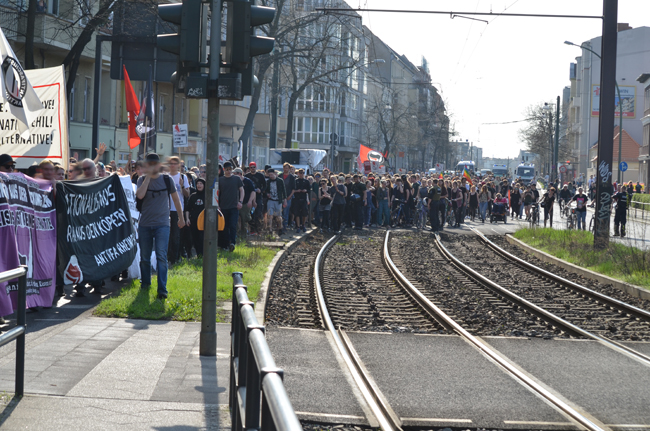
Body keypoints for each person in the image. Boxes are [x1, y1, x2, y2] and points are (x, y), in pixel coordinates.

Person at [136, 153, 185, 300]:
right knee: (144, 257)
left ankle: (162, 289)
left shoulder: (167, 179)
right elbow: (139, 196)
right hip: (145, 224)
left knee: (161, 256)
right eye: (149, 164)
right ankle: (145, 284)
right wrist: (148, 177)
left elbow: (176, 200)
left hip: (163, 224)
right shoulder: (141, 179)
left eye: (154, 164)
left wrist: (181, 218)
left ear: (159, 165)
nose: (152, 167)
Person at [166, 156, 190, 262]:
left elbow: (187, 194)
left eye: (175, 163)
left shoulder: (182, 177)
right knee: (168, 235)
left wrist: (182, 186)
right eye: (171, 163)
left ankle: (175, 258)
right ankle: (167, 256)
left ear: (178, 165)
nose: (172, 165)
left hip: (177, 210)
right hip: (166, 209)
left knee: (176, 235)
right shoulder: (166, 177)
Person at [218, 161, 244, 251]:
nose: (229, 171)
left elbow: (241, 190)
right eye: (227, 169)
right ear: (224, 170)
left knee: (233, 225)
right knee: (224, 227)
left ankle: (232, 242)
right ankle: (225, 244)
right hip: (223, 207)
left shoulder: (236, 179)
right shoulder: (220, 180)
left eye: (230, 169)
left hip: (234, 206)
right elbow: (217, 193)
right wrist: (217, 205)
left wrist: (240, 201)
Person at [234, 168, 256, 240]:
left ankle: (244, 237)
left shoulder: (248, 181)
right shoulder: (234, 181)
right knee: (236, 220)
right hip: (235, 203)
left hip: (245, 203)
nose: (233, 175)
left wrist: (250, 201)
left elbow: (253, 191)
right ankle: (237, 236)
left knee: (244, 220)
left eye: (235, 174)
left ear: (239, 174)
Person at [185, 178, 205, 256]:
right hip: (194, 220)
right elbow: (188, 209)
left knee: (202, 238)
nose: (199, 185)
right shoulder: (193, 196)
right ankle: (198, 255)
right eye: (198, 184)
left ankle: (203, 255)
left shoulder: (207, 195)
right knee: (195, 238)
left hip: (204, 221)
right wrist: (187, 219)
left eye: (201, 184)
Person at [245, 162, 266, 234]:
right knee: (251, 214)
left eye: (254, 167)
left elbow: (265, 185)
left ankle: (259, 229)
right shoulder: (247, 176)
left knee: (258, 213)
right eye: (251, 167)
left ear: (256, 167)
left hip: (258, 197)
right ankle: (252, 229)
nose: (252, 168)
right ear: (249, 168)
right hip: (250, 197)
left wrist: (261, 190)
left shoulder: (260, 175)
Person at [266, 168, 287, 236]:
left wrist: (285, 200)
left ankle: (280, 227)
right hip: (270, 200)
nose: (271, 176)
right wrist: (267, 194)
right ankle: (270, 229)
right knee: (270, 215)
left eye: (271, 174)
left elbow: (284, 191)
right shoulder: (268, 181)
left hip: (278, 200)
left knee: (278, 216)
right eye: (269, 175)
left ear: (275, 174)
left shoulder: (280, 181)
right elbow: (266, 190)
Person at [281, 163, 296, 230]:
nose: (285, 169)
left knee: (286, 212)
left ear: (289, 169)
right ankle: (279, 226)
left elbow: (293, 188)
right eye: (284, 168)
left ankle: (284, 226)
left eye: (287, 168)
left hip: (288, 197)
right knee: (280, 212)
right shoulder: (280, 175)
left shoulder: (292, 177)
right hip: (280, 196)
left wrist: (290, 196)